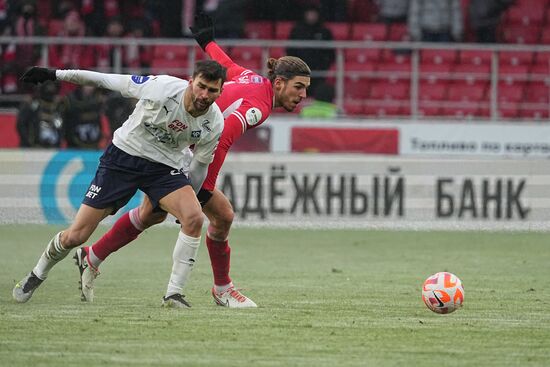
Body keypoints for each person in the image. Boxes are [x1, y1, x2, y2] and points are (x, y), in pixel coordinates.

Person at [72, 13, 311, 308]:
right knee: (220, 215)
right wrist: (201, 189)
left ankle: (91, 256)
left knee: (152, 214)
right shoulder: (260, 107)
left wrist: (207, 42)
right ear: (279, 83)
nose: (303, 95)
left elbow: (228, 67)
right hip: (182, 153)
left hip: (178, 146)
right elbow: (222, 139)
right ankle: (219, 289)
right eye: (299, 87)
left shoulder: (253, 78)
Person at [13, 59, 226, 309]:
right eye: (201, 86)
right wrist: (54, 74)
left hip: (163, 168)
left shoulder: (214, 122)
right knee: (76, 235)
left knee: (193, 217)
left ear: (220, 91)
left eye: (212, 90)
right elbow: (104, 79)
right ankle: (37, 274)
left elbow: (200, 166)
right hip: (123, 158)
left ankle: (174, 294)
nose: (204, 95)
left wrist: (193, 196)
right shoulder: (161, 88)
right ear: (191, 81)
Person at [286, 5, 334, 92]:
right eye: (309, 14)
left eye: (313, 14)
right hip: (300, 72)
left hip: (319, 72)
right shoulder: (297, 31)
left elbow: (330, 53)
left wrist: (323, 66)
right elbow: (290, 50)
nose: (311, 16)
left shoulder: (324, 31)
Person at [16, 80, 63, 148]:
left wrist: (58, 143)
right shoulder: (32, 104)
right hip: (33, 146)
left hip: (52, 147)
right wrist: (28, 142)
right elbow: (21, 124)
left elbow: (60, 125)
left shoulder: (58, 106)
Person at [61, 85, 103, 149]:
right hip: (74, 144)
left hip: (93, 143)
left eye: (91, 85)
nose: (89, 88)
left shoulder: (98, 99)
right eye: (87, 85)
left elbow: (100, 122)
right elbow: (66, 123)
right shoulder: (71, 99)